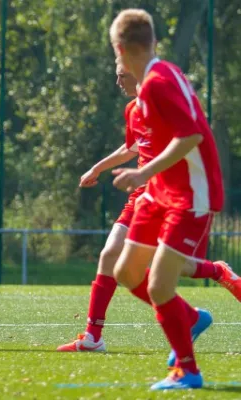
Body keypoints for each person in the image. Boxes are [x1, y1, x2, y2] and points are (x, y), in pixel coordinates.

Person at [57, 60, 241, 353]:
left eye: (121, 75)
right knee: (110, 256)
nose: (118, 82)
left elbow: (187, 140)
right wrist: (98, 168)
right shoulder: (132, 110)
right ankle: (93, 337)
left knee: (160, 266)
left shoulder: (164, 101)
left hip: (170, 195)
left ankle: (214, 277)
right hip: (141, 195)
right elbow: (130, 148)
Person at [109, 9, 225, 390]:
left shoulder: (159, 81)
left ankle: (188, 371)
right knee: (126, 272)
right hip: (160, 195)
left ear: (120, 49)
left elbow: (190, 136)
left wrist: (142, 173)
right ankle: (190, 319)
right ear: (152, 41)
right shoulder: (151, 83)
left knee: (159, 285)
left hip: (191, 195)